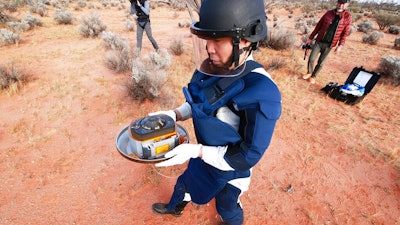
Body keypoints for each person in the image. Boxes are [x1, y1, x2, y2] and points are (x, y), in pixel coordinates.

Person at [148, 0, 282, 224]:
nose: (209, 48)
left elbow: (246, 156)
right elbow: (200, 102)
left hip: (230, 170)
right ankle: (175, 208)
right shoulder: (214, 66)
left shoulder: (261, 91)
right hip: (203, 154)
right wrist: (175, 115)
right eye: (207, 39)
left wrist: (198, 151)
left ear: (246, 39)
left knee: (227, 205)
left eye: (218, 39)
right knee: (185, 184)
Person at [303, 0, 352, 84]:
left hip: (330, 44)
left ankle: (313, 76)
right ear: (337, 3)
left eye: (343, 4)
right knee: (311, 58)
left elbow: (345, 33)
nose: (341, 5)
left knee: (321, 62)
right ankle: (309, 72)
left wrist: (340, 45)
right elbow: (318, 26)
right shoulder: (329, 13)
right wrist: (311, 38)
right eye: (339, 3)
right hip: (319, 41)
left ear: (347, 5)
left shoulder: (347, 17)